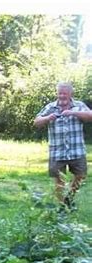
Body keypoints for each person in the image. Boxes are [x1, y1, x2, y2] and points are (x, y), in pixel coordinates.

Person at [34, 81, 92, 210]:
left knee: (80, 175)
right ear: (57, 93)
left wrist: (73, 113)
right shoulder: (51, 107)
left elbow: (90, 116)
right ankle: (62, 207)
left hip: (76, 150)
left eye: (65, 93)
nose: (62, 96)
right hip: (57, 151)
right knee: (59, 180)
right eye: (60, 93)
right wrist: (48, 118)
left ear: (70, 93)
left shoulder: (79, 105)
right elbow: (36, 122)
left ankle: (69, 198)